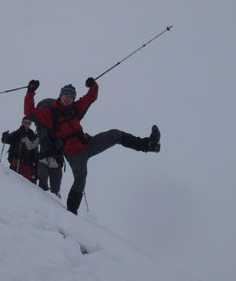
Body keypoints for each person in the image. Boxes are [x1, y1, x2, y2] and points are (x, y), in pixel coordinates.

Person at [24, 78, 161, 214]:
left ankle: (149, 145)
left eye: (71, 96)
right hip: (74, 154)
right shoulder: (50, 114)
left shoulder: (75, 109)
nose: (68, 98)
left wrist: (93, 85)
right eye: (66, 95)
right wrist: (31, 91)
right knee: (80, 179)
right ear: (60, 96)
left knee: (115, 134)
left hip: (88, 144)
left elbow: (90, 97)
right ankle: (71, 212)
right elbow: (29, 111)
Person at [1, 116, 39, 183]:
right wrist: (5, 136)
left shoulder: (32, 135)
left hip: (28, 162)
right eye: (25, 122)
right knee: (15, 180)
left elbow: (35, 150)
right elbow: (6, 140)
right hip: (16, 159)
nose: (26, 124)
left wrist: (35, 161)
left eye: (28, 123)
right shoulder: (17, 133)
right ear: (22, 123)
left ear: (30, 124)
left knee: (27, 182)